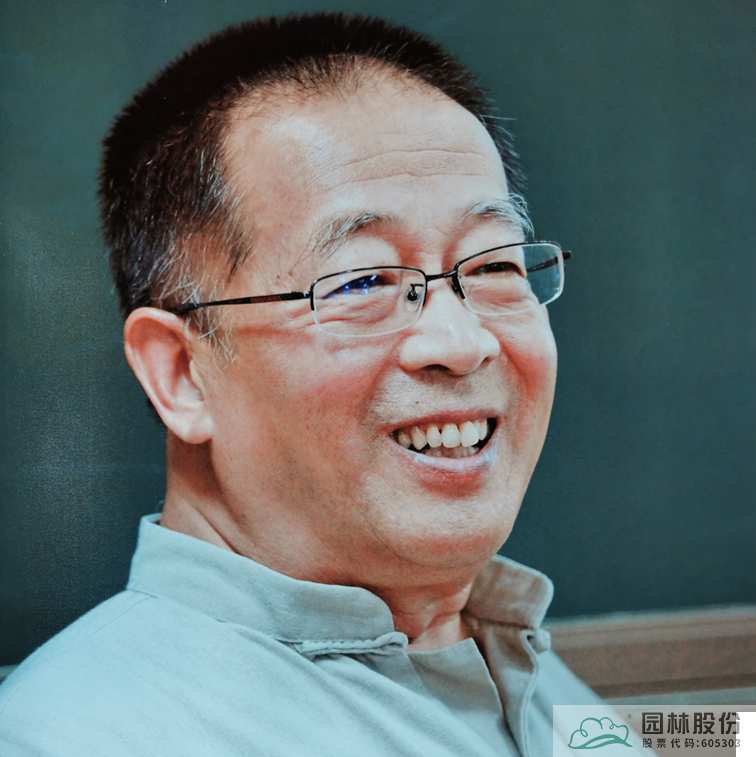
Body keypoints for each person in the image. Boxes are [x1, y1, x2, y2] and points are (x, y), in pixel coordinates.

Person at [0, 12, 607, 756]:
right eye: (362, 282)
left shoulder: (518, 665)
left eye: (493, 265)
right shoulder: (78, 737)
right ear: (182, 372)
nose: (461, 341)